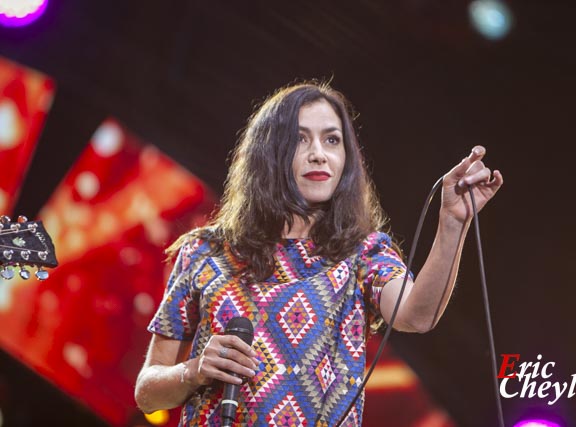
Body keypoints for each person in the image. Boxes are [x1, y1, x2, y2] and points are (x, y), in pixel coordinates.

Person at [134, 82, 503, 427]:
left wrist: (453, 222)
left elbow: (417, 316)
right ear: (269, 153)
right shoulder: (206, 252)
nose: (318, 154)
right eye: (299, 139)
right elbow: (147, 392)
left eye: (332, 140)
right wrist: (194, 370)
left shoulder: (362, 252)